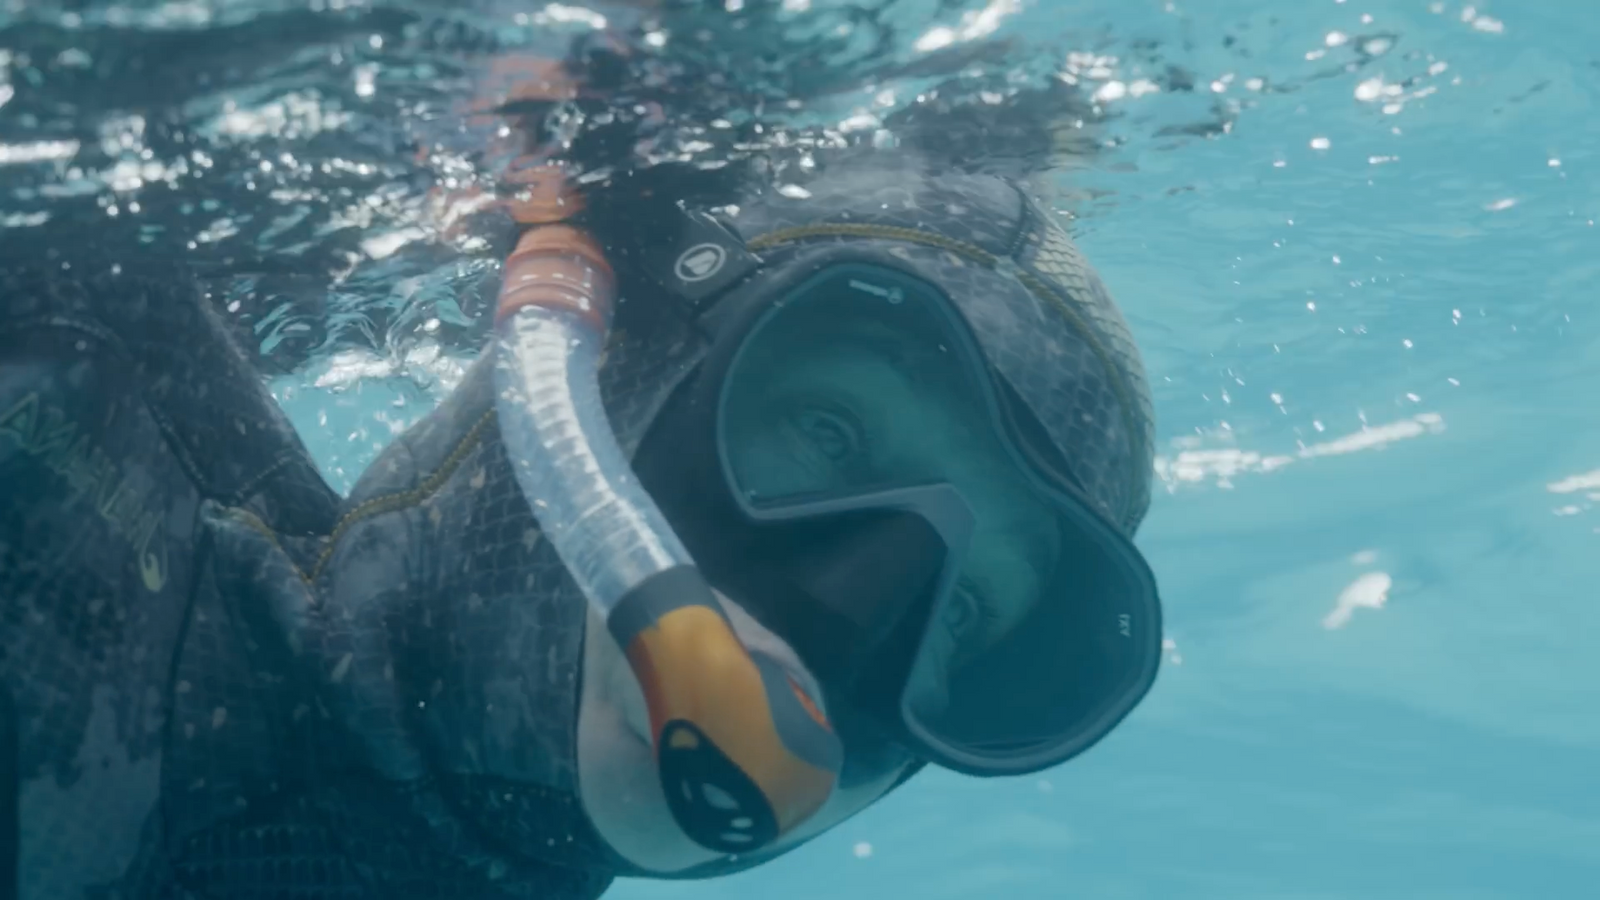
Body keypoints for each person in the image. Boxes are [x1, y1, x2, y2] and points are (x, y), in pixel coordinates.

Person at [0, 38, 1162, 900]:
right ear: (593, 366)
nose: (847, 618)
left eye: (961, 606)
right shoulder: (61, 368)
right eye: (827, 435)